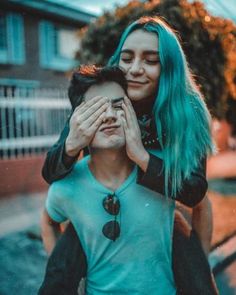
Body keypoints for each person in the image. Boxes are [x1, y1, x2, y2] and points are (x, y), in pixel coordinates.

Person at [40, 16, 218, 294]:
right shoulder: (105, 94)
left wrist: (141, 156)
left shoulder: (188, 110)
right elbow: (51, 174)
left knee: (198, 281)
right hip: (98, 210)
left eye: (151, 60)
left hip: (159, 210)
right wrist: (71, 145)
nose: (135, 69)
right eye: (127, 58)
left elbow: (195, 193)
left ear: (168, 67)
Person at [41, 65, 178, 294]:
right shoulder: (67, 186)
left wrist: (201, 265)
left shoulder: (160, 169)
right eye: (95, 110)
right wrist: (67, 274)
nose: (110, 116)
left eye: (118, 106)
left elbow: (199, 201)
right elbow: (48, 221)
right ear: (76, 122)